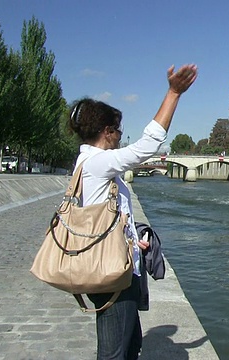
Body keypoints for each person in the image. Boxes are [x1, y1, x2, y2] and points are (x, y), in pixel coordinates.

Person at [68, 63, 197, 359]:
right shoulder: (98, 163)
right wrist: (174, 93)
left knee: (131, 345)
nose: (120, 135)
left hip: (117, 265)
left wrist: (130, 239)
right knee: (115, 353)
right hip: (112, 274)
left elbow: (103, 213)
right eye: (118, 130)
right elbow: (147, 146)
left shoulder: (90, 163)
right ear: (106, 131)